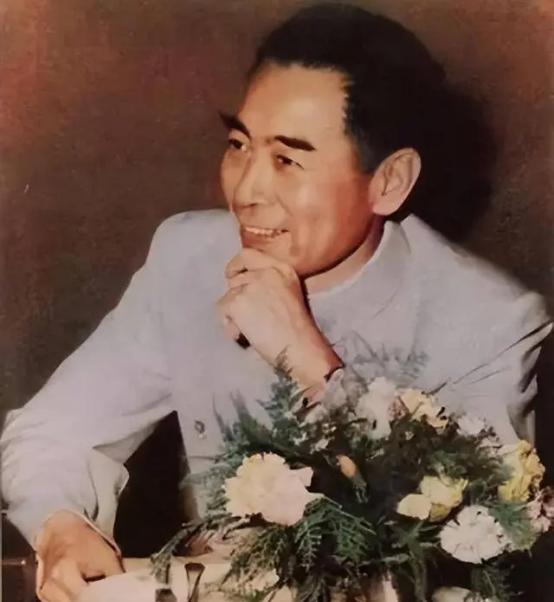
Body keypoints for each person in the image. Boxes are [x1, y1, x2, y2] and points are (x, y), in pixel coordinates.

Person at [1, 4, 551, 601]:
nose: (246, 190)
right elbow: (53, 432)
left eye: (288, 159)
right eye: (239, 144)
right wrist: (61, 525)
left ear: (389, 181)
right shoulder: (189, 258)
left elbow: (482, 536)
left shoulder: (490, 321)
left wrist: (311, 363)